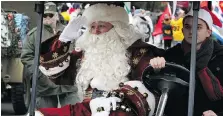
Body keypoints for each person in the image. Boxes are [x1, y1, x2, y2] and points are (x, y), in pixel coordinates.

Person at [30, 2, 166, 116]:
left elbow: (147, 88)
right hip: (85, 109)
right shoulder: (88, 52)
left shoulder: (138, 51)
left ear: (117, 28)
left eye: (101, 26)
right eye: (92, 27)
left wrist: (114, 102)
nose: (95, 32)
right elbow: (57, 75)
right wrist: (63, 41)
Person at [150, 7, 223, 116]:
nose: (191, 31)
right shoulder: (171, 54)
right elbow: (158, 86)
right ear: (183, 30)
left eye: (198, 27)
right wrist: (157, 68)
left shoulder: (220, 56)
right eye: (187, 27)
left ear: (208, 32)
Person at [21, 2, 80, 108]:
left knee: (74, 110)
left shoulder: (67, 31)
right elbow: (26, 56)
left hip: (67, 83)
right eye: (45, 15)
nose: (47, 17)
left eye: (51, 15)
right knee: (44, 112)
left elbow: (77, 50)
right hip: (45, 84)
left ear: (57, 16)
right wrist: (39, 73)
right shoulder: (35, 34)